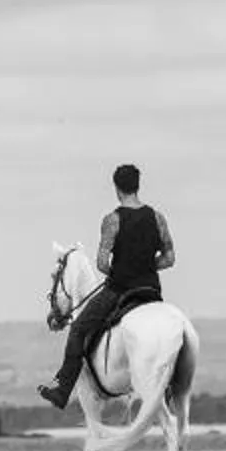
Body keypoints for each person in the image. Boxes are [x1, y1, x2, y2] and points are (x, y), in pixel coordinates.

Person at [38, 162, 173, 410]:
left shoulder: (112, 220)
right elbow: (169, 258)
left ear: (117, 189)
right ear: (137, 186)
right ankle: (168, 386)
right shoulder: (157, 218)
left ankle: (62, 390)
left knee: (78, 329)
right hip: (151, 292)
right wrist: (146, 268)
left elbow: (101, 263)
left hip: (120, 289)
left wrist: (123, 272)